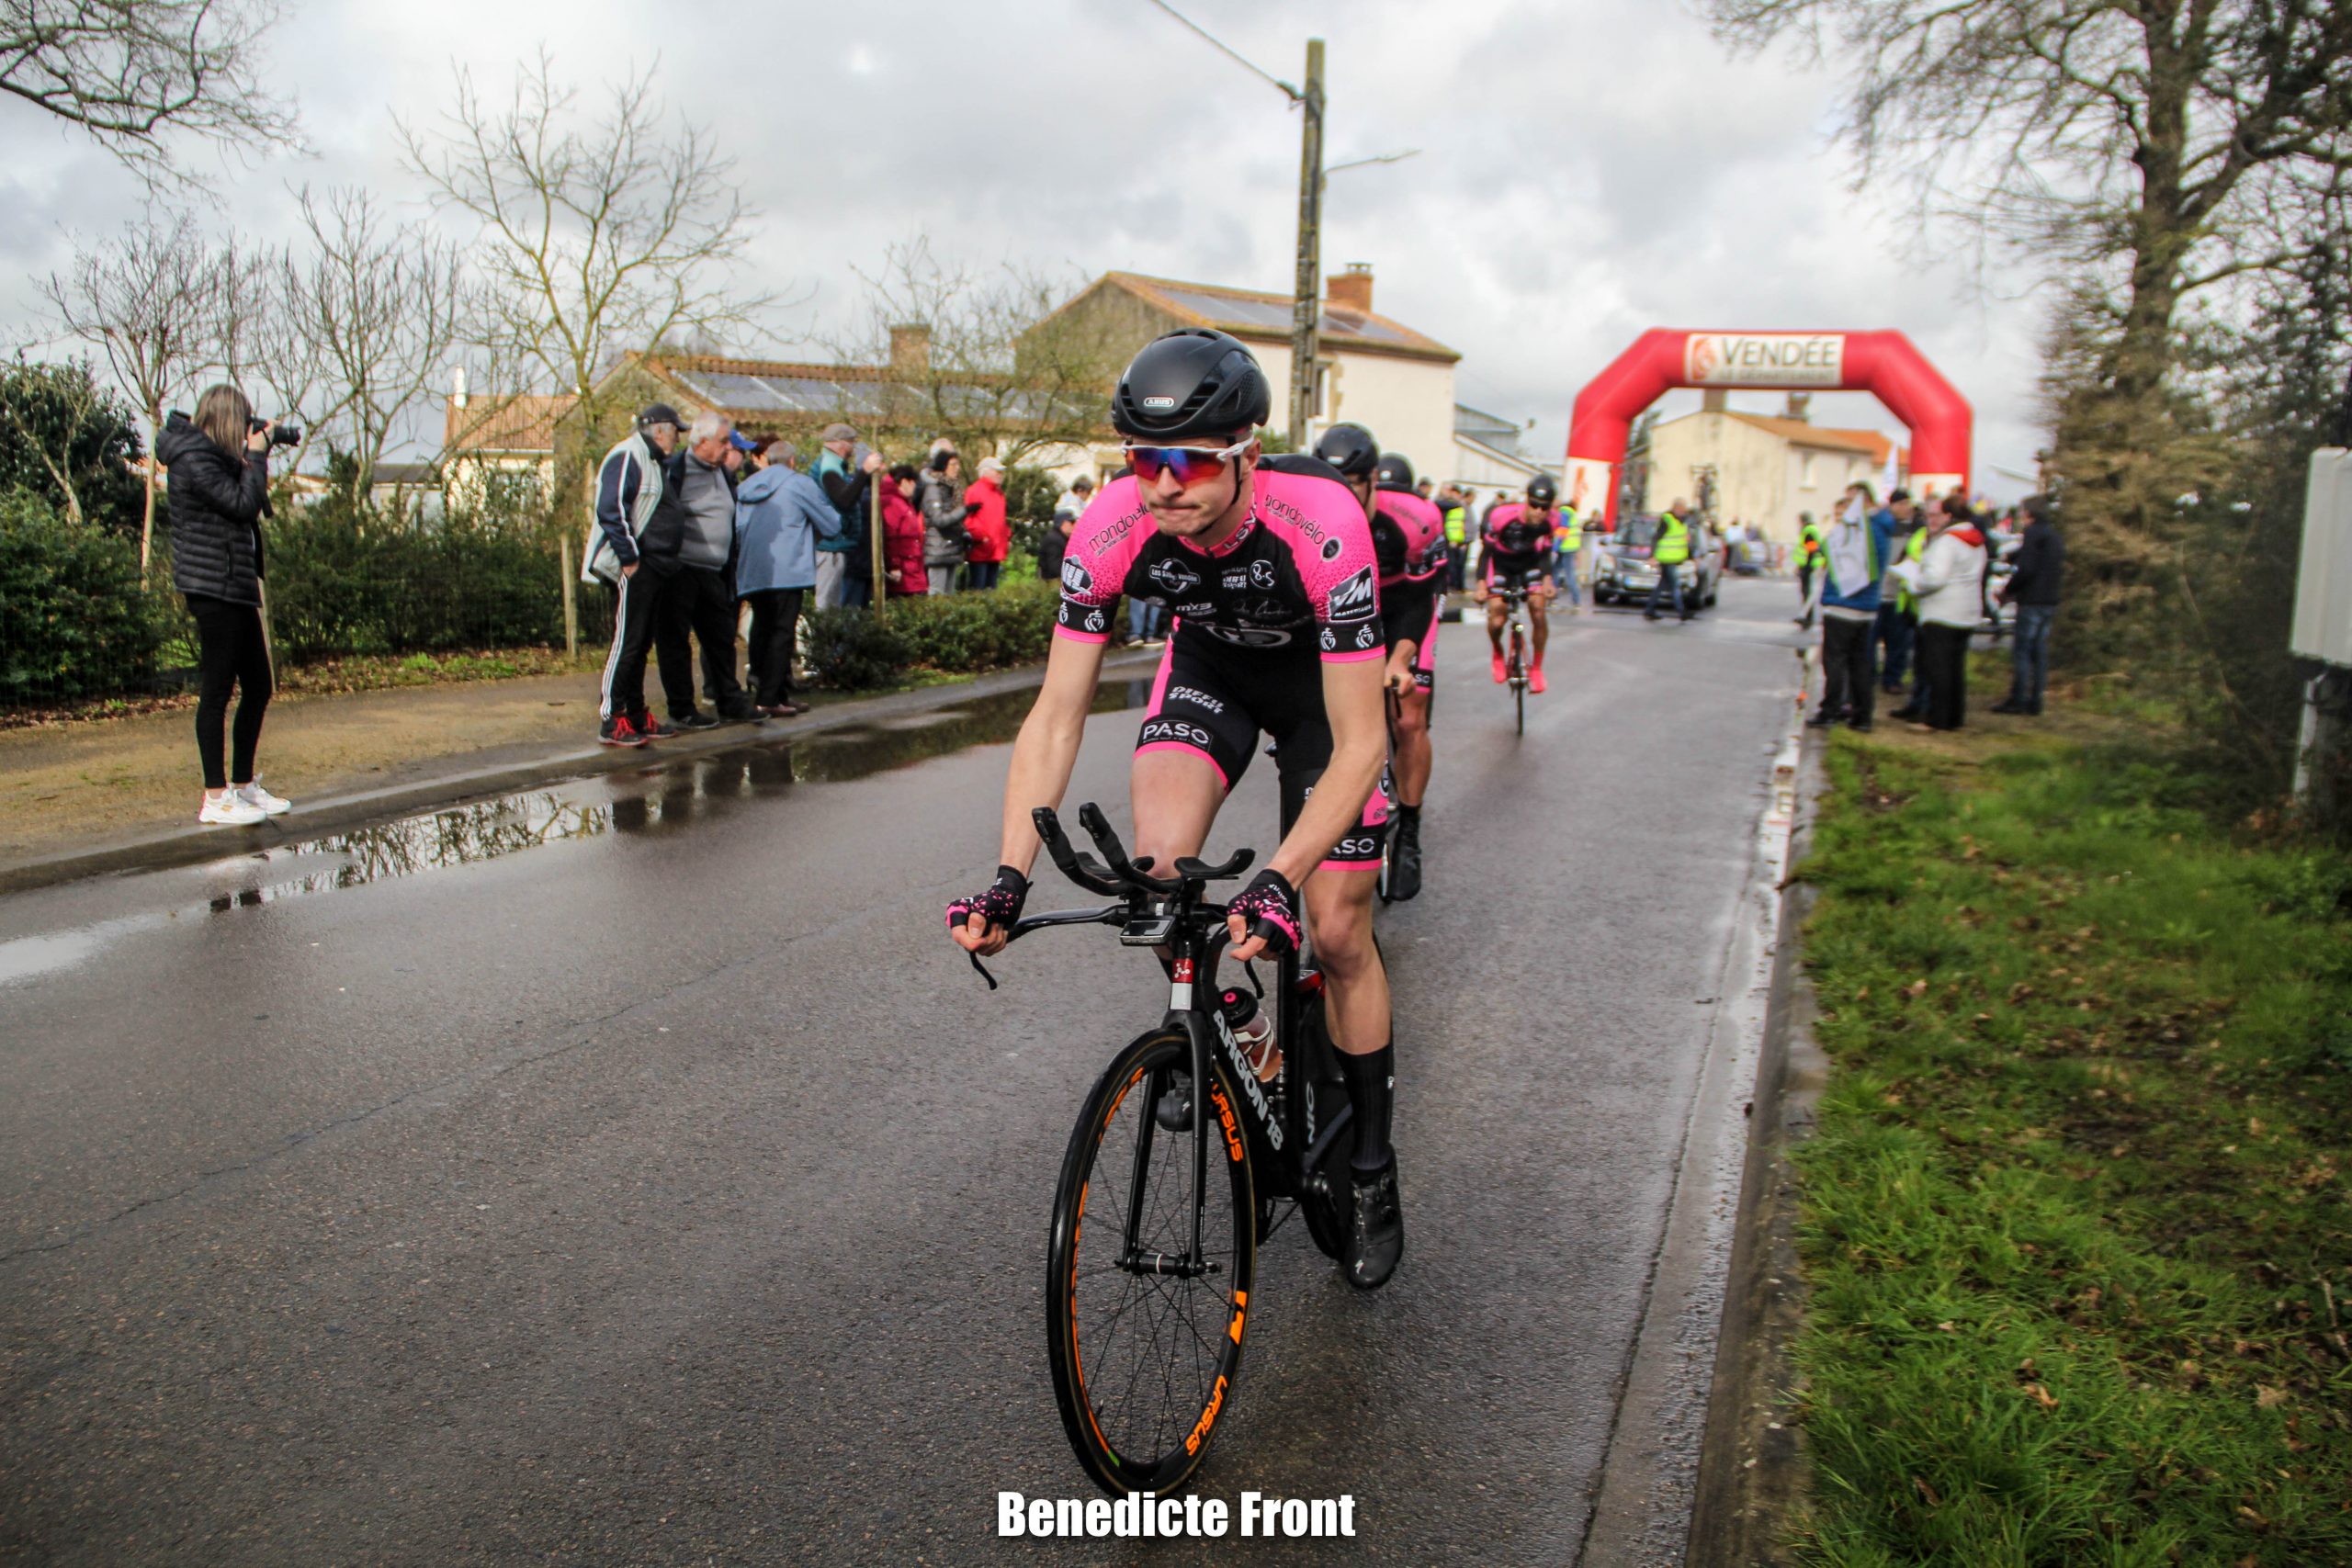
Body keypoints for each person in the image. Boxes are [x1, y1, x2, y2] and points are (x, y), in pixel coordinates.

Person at [945, 329, 1406, 1288]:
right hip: (1211, 673)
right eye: (1143, 460)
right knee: (1157, 877)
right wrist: (1006, 877)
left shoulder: (1322, 520)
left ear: (1245, 451)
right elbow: (1056, 715)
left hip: (1322, 696)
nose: (1163, 484)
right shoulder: (1111, 525)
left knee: (1336, 927)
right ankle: (1240, 1032)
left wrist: (1279, 876)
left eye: (1190, 461)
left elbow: (1363, 742)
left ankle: (1371, 1169)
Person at [160, 386, 290, 824]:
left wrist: (252, 457)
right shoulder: (193, 459)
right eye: (244, 421)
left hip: (233, 583)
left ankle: (243, 786)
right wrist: (256, 455)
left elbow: (247, 501)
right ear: (229, 421)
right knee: (217, 691)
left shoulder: (213, 458)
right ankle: (215, 798)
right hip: (212, 585)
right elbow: (242, 504)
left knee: (258, 686)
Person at [1367, 449, 1445, 900]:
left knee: (1409, 719)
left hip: (1411, 602)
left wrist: (1400, 658)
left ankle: (1410, 829)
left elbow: (1423, 599)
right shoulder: (1329, 510)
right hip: (1360, 602)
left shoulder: (1417, 519)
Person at [651, 412, 761, 729]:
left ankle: (730, 701)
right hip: (681, 570)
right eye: (723, 441)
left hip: (715, 570)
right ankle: (682, 709)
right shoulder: (675, 470)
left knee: (721, 638)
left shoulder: (722, 473)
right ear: (702, 442)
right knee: (675, 641)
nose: (728, 448)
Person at [588, 403, 689, 747]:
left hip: (656, 564)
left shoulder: (655, 461)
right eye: (675, 431)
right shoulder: (628, 455)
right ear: (659, 430)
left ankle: (634, 713)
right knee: (627, 642)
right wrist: (629, 556)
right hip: (636, 565)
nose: (678, 439)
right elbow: (611, 509)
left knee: (642, 642)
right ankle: (611, 718)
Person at [733, 438, 840, 716]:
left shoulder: (746, 486)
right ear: (792, 461)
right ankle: (770, 698)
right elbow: (832, 524)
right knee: (782, 632)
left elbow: (737, 528)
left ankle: (771, 691)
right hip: (788, 569)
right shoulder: (799, 484)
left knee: (761, 628)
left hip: (754, 567)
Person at [1807, 482, 1896, 732]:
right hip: (1866, 606)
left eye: (1849, 501)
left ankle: (1831, 709)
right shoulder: (1881, 528)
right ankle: (1862, 714)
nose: (1846, 507)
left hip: (1844, 603)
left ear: (1863, 501)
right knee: (1860, 663)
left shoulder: (1860, 528)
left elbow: (1829, 549)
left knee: (1835, 661)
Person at [1908, 497, 1987, 730]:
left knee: (1939, 669)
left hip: (1942, 612)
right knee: (1955, 668)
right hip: (1967, 610)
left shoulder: (1947, 542)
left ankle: (1938, 719)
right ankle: (1955, 716)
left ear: (1949, 516)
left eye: (1939, 514)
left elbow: (1935, 577)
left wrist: (1915, 583)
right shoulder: (1977, 541)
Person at [1480, 475, 1558, 690]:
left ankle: (1537, 668)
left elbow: (1546, 553)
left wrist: (1548, 580)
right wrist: (1480, 585)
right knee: (1497, 619)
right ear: (1527, 500)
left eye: (1545, 507)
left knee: (1538, 609)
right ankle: (1497, 651)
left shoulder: (1552, 520)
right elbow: (1486, 553)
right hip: (1501, 564)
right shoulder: (1501, 516)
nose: (1539, 511)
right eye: (1534, 505)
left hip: (1528, 563)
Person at [1995, 493, 2064, 716]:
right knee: (2039, 652)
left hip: (2032, 599)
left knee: (2023, 652)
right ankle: (2036, 699)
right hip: (2049, 599)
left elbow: (2027, 568)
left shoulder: (2032, 533)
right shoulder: (2054, 535)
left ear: (2029, 514)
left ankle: (2019, 698)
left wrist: (2008, 591)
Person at [813, 423, 880, 608]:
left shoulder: (834, 465)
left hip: (835, 543)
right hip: (830, 545)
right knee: (827, 604)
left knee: (832, 603)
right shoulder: (829, 467)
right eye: (852, 443)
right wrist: (864, 471)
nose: (853, 448)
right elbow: (844, 499)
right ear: (841, 444)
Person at [1873, 489, 1921, 692]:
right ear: (1891, 505)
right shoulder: (1880, 526)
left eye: (1908, 504)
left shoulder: (1915, 528)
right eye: (1901, 504)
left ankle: (1892, 679)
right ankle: (1871, 676)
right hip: (1878, 593)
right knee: (1871, 641)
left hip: (1900, 595)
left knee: (1898, 642)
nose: (1906, 508)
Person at [921, 450, 969, 594]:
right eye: (953, 464)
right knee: (937, 593)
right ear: (943, 466)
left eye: (958, 464)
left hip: (952, 546)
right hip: (938, 548)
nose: (957, 468)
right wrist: (965, 510)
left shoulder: (952, 488)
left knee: (949, 595)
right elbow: (939, 520)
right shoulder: (933, 488)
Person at [880, 462, 930, 598]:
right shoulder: (893, 502)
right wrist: (894, 565)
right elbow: (891, 536)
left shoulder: (904, 502)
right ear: (904, 482)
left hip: (912, 565)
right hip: (904, 568)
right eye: (913, 483)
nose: (915, 487)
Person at [962, 457, 1011, 590]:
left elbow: (1001, 521)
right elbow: (967, 519)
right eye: (997, 471)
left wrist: (1006, 538)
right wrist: (981, 537)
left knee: (991, 590)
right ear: (986, 471)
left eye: (1001, 472)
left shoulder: (999, 494)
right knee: (978, 590)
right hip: (980, 549)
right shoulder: (974, 491)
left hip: (994, 549)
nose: (1000, 475)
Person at [1552, 494, 1586, 610]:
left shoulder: (1564, 512)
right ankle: (1571, 600)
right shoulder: (1572, 513)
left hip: (1565, 546)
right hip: (1571, 546)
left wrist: (1555, 547)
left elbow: (1563, 530)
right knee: (1558, 571)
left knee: (1566, 574)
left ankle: (1572, 600)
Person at [1793, 511, 1824, 628]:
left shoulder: (1808, 530)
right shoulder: (1812, 529)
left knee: (1807, 592)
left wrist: (1805, 567)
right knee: (1808, 592)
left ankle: (1807, 618)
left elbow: (1811, 549)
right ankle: (1806, 616)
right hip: (1811, 564)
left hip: (1809, 565)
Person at [1439, 485, 1469, 592]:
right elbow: (1451, 524)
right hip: (1450, 539)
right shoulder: (1450, 505)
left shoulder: (1458, 506)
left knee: (1456, 564)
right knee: (1451, 564)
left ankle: (1455, 585)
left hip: (1456, 539)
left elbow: (1462, 525)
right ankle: (1451, 585)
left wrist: (1463, 540)